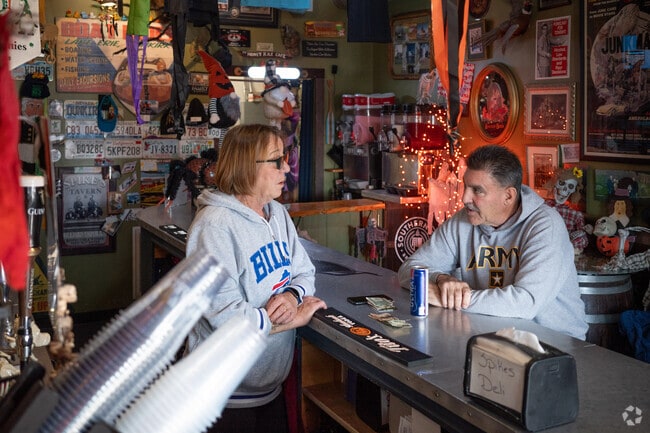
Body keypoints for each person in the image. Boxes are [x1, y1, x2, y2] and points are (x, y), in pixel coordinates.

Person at [185, 123, 327, 433]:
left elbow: (304, 271)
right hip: (221, 398)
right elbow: (226, 317)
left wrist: (292, 297)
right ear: (247, 166)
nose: (286, 168)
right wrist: (291, 321)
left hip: (267, 391)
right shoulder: (214, 225)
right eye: (277, 160)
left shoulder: (277, 213)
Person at [397, 145, 588, 340]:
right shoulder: (463, 221)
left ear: (508, 196)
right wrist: (440, 279)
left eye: (477, 191)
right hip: (493, 337)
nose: (464, 198)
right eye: (466, 186)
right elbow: (407, 270)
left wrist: (449, 298)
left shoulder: (546, 226)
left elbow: (526, 302)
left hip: (555, 345)